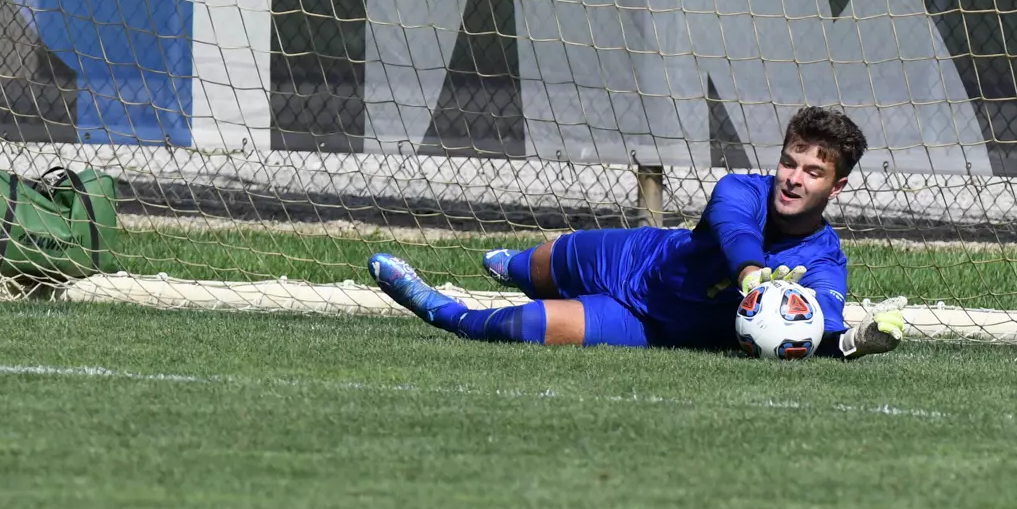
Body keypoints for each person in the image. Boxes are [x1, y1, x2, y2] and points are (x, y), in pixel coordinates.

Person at [368, 106, 906, 358]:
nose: (793, 179)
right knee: (536, 265)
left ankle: (440, 308)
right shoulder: (744, 189)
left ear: (835, 188)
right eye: (790, 162)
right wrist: (751, 274)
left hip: (652, 325)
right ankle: (517, 267)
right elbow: (732, 225)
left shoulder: (824, 260)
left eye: (813, 172)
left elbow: (821, 328)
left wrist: (857, 339)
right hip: (635, 258)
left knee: (523, 326)